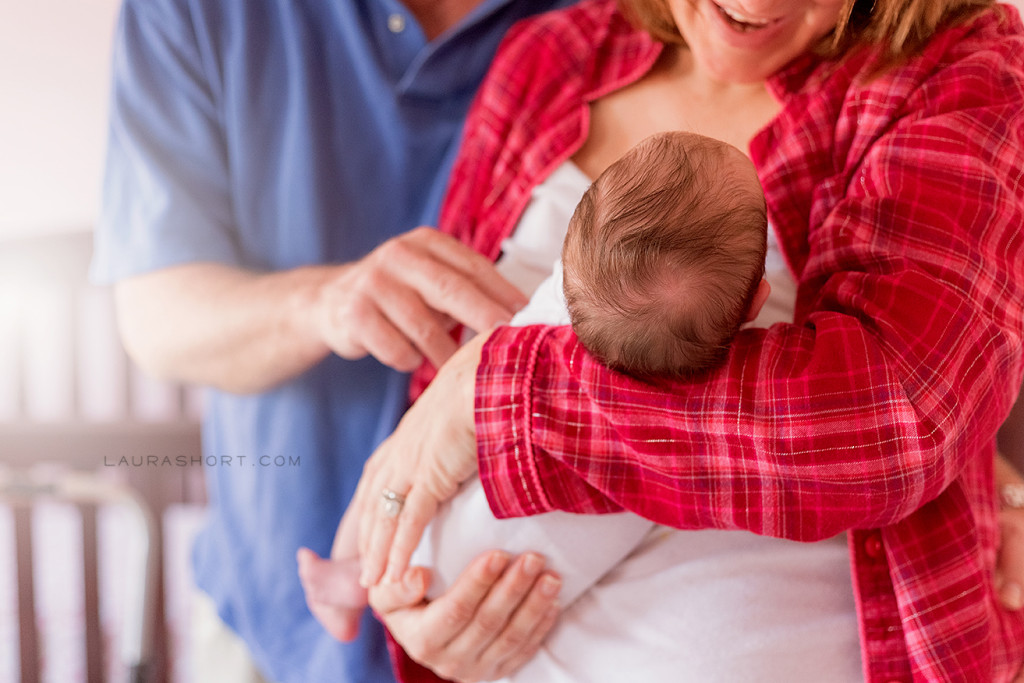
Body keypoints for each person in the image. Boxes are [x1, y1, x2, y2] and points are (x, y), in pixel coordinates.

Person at [343, 0, 1024, 680]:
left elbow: (894, 419)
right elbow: (435, 418)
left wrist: (508, 393)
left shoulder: (952, 69)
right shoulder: (548, 60)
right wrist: (417, 609)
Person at [91, 1, 579, 681]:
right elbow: (154, 313)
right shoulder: (191, 12)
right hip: (275, 619)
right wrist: (323, 303)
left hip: (535, 621)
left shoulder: (623, 21)